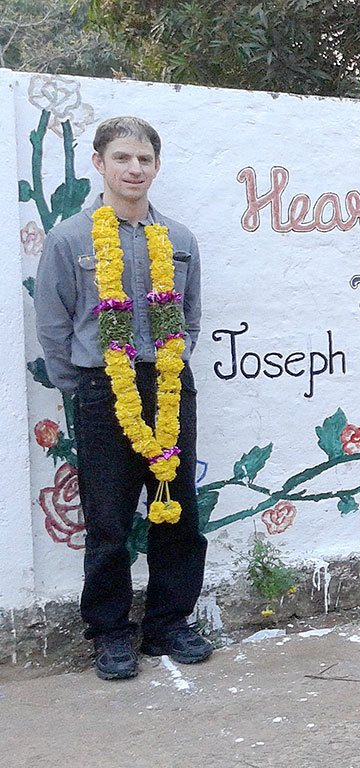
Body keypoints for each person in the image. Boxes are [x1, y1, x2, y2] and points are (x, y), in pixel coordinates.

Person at [36, 116, 211, 679]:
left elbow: (191, 316)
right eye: (122, 158)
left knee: (176, 509)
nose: (134, 169)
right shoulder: (70, 239)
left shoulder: (179, 240)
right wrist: (83, 388)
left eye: (144, 160)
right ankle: (110, 633)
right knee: (109, 519)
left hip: (167, 382)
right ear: (99, 163)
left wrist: (171, 367)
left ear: (156, 167)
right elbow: (53, 327)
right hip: (101, 389)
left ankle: (168, 624)